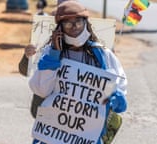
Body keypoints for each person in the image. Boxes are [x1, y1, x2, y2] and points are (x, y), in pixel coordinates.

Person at [28, 1, 127, 143]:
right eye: (68, 24)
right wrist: (53, 56)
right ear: (60, 28)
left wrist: (117, 97)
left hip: (87, 136)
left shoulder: (103, 54)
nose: (75, 28)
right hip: (54, 135)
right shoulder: (49, 53)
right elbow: (41, 90)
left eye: (79, 23)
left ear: (86, 24)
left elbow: (116, 83)